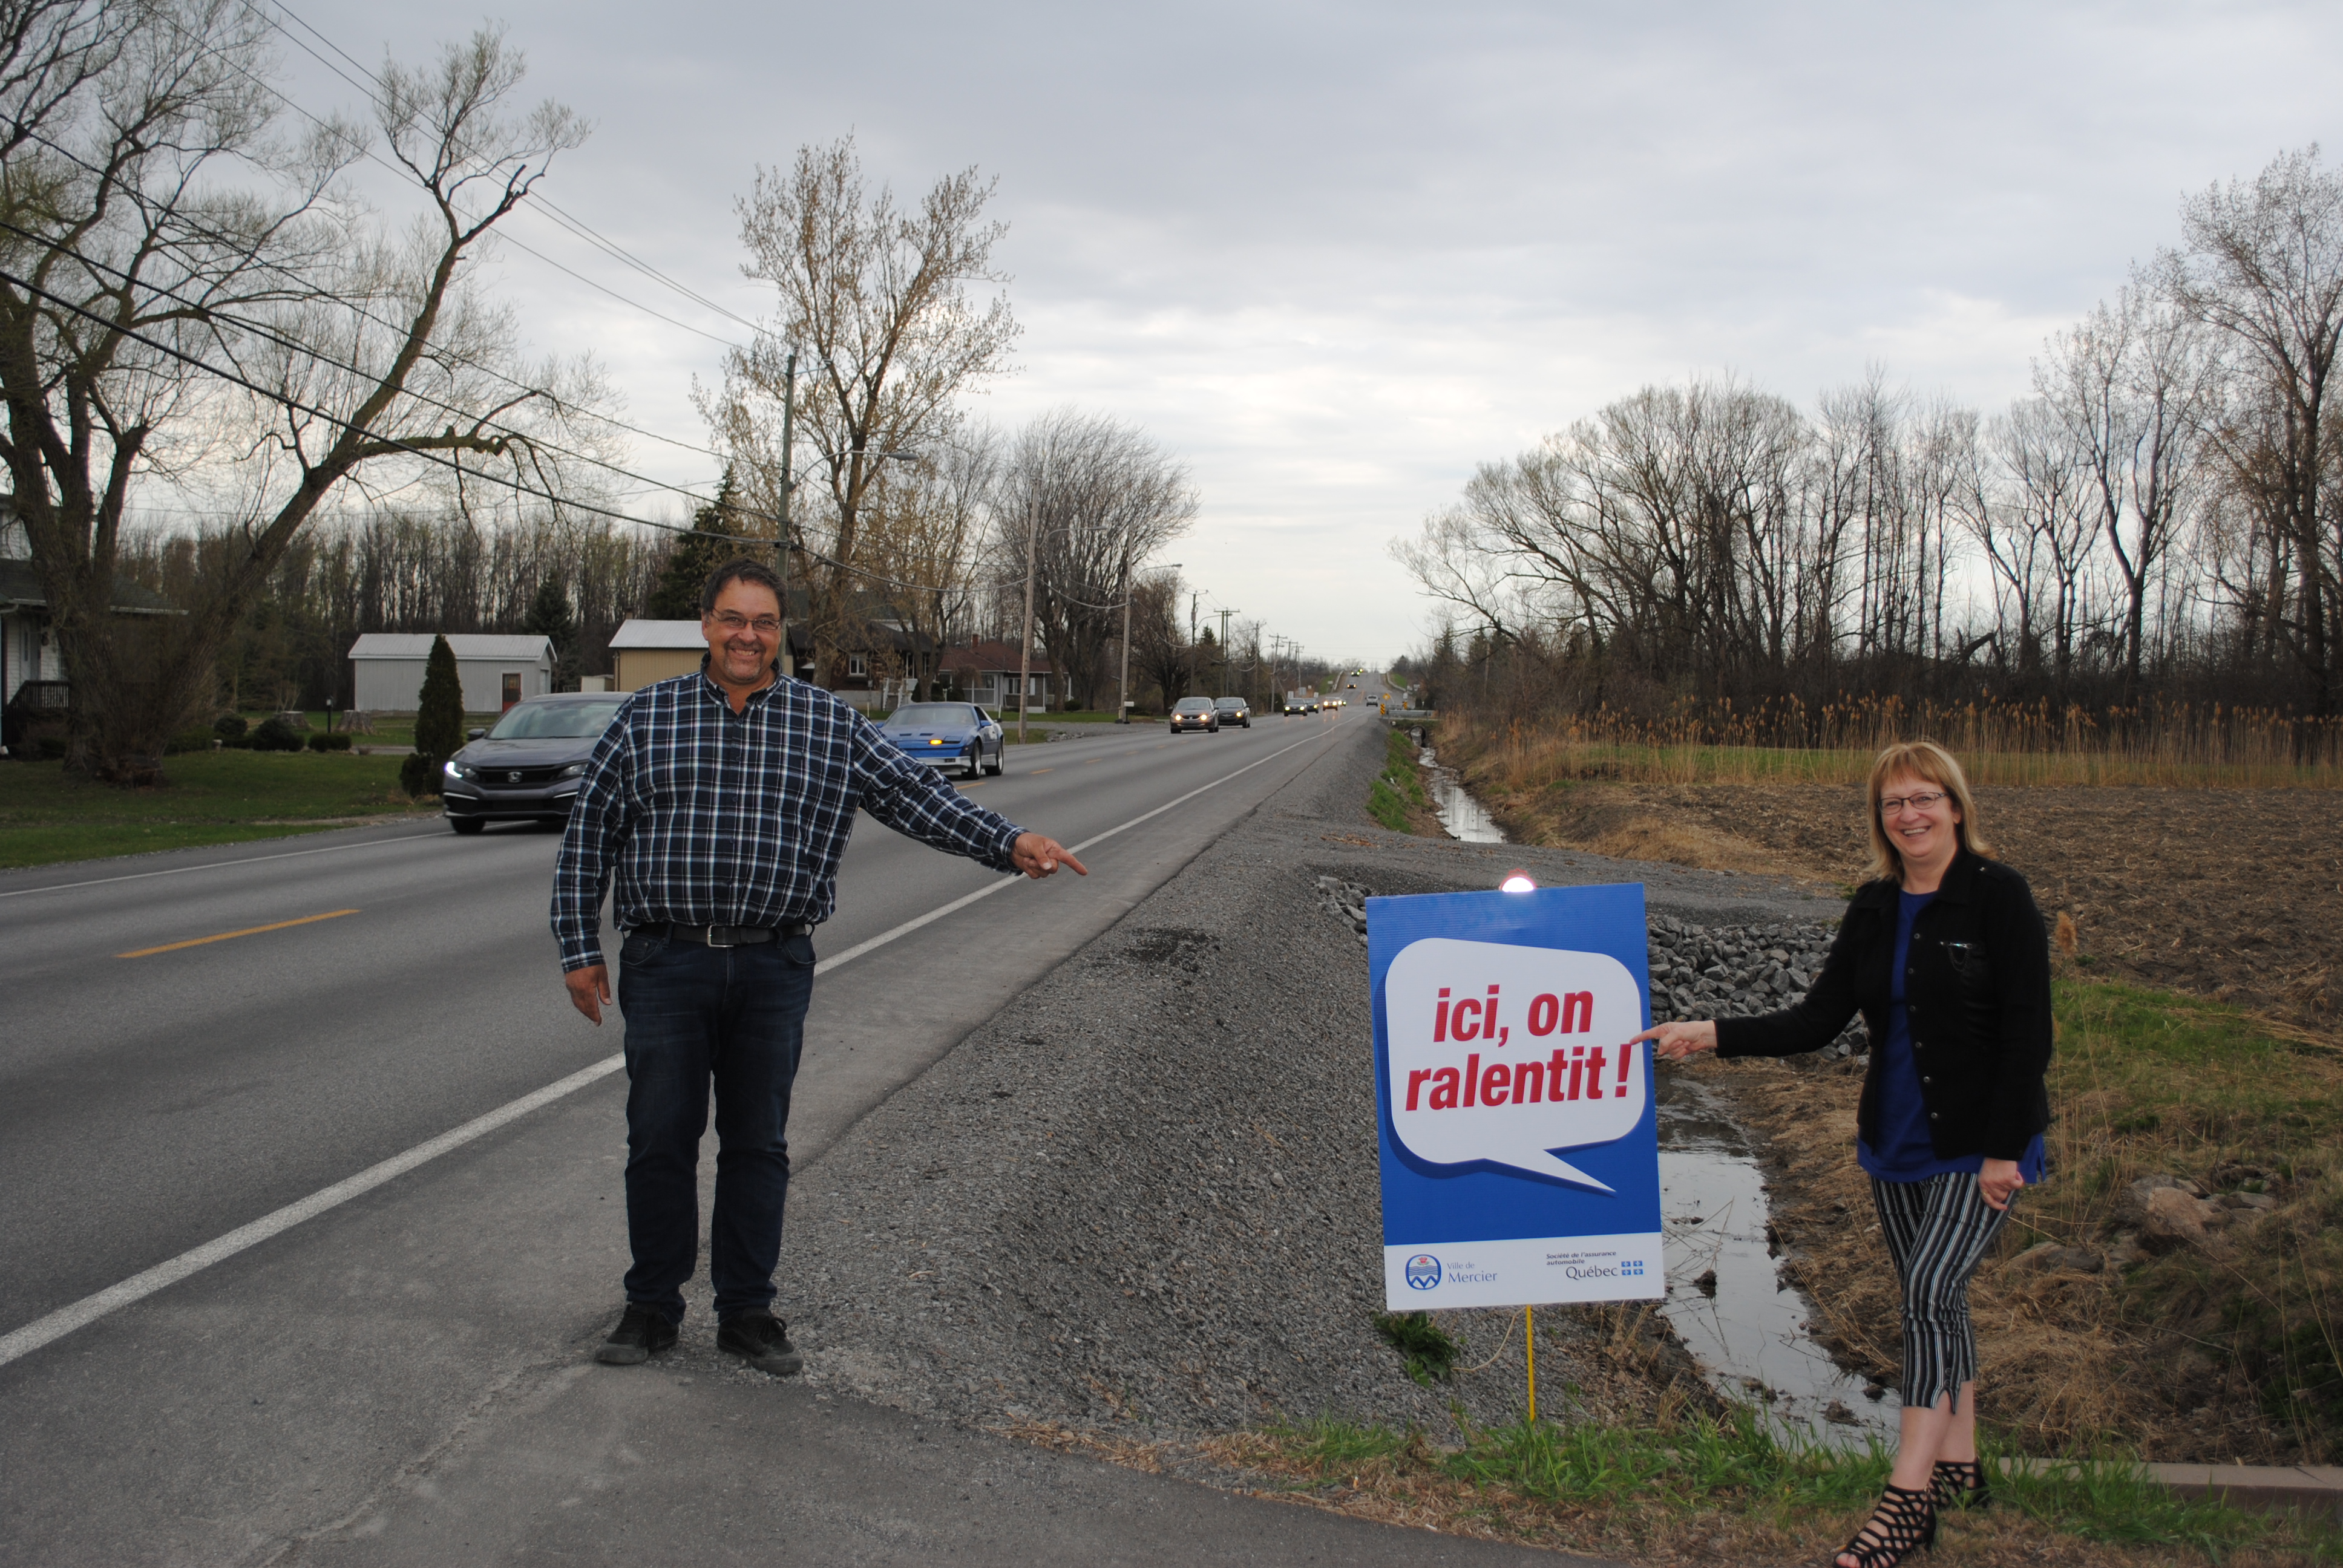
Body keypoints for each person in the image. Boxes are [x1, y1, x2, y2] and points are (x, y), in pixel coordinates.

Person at [552, 557, 1087, 1376]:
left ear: (779, 636)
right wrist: (579, 951)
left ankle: (747, 1312)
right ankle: (652, 1308)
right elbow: (589, 835)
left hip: (773, 966)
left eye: (764, 624)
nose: (747, 636)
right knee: (659, 1138)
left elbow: (915, 796)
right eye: (733, 619)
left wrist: (1010, 843)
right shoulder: (644, 719)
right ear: (706, 626)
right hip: (666, 961)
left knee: (757, 1143)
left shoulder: (824, 723)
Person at [1632, 740, 2050, 1568]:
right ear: (1881, 819)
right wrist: (1709, 1034)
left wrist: (2006, 1150)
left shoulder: (1999, 898)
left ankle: (1906, 1501)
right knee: (1939, 1301)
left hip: (1979, 1146)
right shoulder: (1873, 907)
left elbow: (2028, 1032)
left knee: (1928, 1295)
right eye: (1895, 803)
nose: (1912, 815)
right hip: (1893, 1138)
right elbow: (1816, 1020)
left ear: (1957, 807)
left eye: (1926, 798)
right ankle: (1961, 1463)